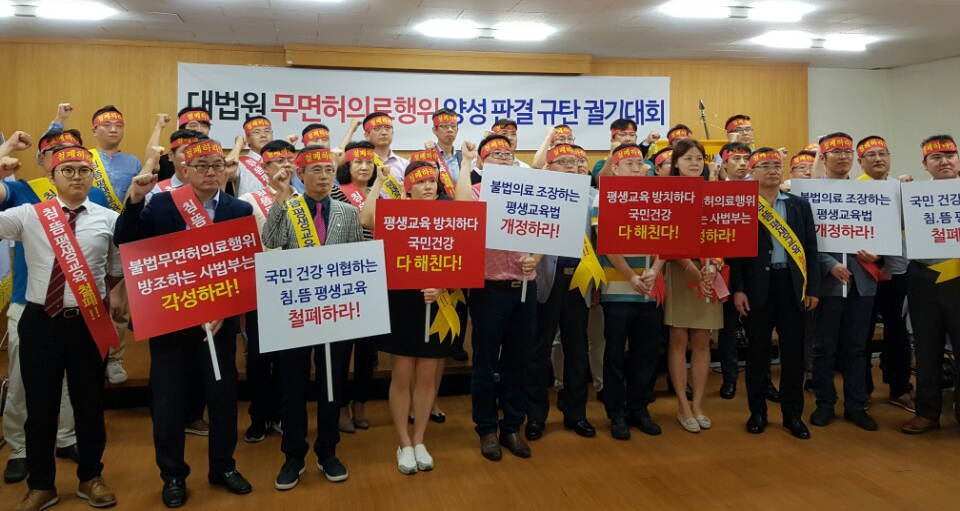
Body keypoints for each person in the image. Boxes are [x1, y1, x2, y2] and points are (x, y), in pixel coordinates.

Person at [117, 140, 253, 507]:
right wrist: (134, 200)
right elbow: (126, 241)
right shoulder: (162, 205)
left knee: (223, 399)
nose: (211, 172)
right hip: (171, 321)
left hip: (218, 325)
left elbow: (245, 264)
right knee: (168, 403)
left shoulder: (239, 209)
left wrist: (226, 308)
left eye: (217, 165)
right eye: (202, 165)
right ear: (184, 170)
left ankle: (223, 467)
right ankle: (173, 474)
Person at [0, 144, 122, 511]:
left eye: (84, 170)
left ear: (92, 177)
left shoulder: (108, 218)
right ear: (52, 177)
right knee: (40, 407)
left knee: (89, 404)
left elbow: (116, 269)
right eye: (67, 170)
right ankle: (41, 485)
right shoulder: (28, 214)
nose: (76, 177)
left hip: (89, 322)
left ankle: (91, 477)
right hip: (40, 322)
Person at [261, 146, 364, 490]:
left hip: (334, 313)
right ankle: (293, 456)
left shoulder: (348, 212)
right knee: (292, 386)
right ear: (300, 174)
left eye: (328, 170)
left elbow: (355, 258)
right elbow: (270, 240)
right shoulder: (288, 207)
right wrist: (280, 195)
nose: (323, 176)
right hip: (295, 312)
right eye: (315, 170)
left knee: (331, 384)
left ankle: (327, 451)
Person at [358, 159, 456, 474]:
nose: (428, 186)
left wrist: (443, 286)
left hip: (436, 301)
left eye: (432, 181)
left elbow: (462, 257)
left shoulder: (450, 214)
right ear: (408, 187)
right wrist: (378, 182)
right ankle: (404, 442)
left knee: (427, 376)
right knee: (401, 375)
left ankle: (420, 439)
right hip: (401, 302)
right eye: (421, 181)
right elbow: (366, 219)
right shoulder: (395, 212)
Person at [454, 140, 540, 461]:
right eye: (495, 154)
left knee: (518, 361)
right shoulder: (477, 193)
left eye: (508, 154)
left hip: (525, 287)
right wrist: (465, 162)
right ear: (483, 162)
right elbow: (462, 210)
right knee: (486, 361)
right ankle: (487, 428)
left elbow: (548, 231)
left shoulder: (529, 194)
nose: (503, 158)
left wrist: (536, 259)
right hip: (489, 288)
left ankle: (512, 426)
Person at [731, 148, 821, 440]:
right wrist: (738, 289)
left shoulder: (798, 205)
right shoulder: (743, 205)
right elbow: (736, 253)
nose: (772, 170)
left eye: (776, 165)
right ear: (752, 172)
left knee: (793, 354)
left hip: (792, 285)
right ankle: (757, 412)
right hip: (757, 287)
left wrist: (812, 288)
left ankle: (792, 414)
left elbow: (810, 249)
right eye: (765, 165)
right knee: (757, 353)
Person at [525, 144, 598, 441]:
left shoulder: (593, 198)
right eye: (563, 161)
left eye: (575, 161)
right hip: (546, 280)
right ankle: (535, 416)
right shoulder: (536, 196)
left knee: (577, 350)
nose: (571, 165)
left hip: (580, 280)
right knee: (539, 351)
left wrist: (597, 285)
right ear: (548, 167)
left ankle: (576, 413)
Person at [810, 132, 879, 431]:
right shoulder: (810, 194)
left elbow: (883, 233)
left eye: (847, 151)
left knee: (856, 348)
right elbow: (806, 239)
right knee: (824, 348)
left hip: (862, 282)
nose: (842, 156)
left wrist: (879, 255)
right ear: (823, 158)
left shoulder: (871, 193)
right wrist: (829, 264)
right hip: (827, 284)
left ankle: (855, 405)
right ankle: (825, 403)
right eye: (835, 151)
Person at [653, 138, 722, 433]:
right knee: (679, 339)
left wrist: (713, 266)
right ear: (676, 163)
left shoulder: (715, 192)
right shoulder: (665, 193)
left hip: (710, 274)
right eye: (688, 158)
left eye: (699, 158)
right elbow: (664, 236)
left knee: (703, 340)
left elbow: (726, 233)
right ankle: (682, 405)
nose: (694, 163)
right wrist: (693, 269)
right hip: (679, 272)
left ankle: (698, 404)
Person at [596, 143, 664, 439]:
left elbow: (668, 236)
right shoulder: (604, 199)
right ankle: (616, 413)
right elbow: (607, 244)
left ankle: (639, 408)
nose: (637, 168)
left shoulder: (657, 198)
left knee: (645, 354)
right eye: (629, 164)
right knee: (614, 355)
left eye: (640, 163)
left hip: (650, 289)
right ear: (615, 168)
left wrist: (655, 270)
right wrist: (631, 276)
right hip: (616, 290)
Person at [237, 140, 298, 443]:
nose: (286, 166)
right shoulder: (247, 201)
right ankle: (259, 416)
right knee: (259, 358)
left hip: (297, 288)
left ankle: (285, 414)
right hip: (261, 289)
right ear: (264, 167)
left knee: (290, 359)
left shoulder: (304, 199)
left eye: (290, 160)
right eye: (278, 161)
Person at [901, 135, 960, 434]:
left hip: (957, 277)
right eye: (935, 157)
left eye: (950, 155)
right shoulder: (913, 195)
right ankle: (927, 412)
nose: (944, 161)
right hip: (923, 277)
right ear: (925, 164)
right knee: (926, 347)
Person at [853, 136, 914, 413]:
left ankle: (899, 387)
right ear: (860, 161)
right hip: (863, 271)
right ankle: (861, 390)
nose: (878, 159)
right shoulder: (852, 190)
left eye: (883, 154)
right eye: (871, 155)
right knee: (861, 332)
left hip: (897, 270)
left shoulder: (902, 189)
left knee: (897, 332)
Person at [90, 105, 142, 385]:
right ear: (94, 130)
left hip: (120, 237)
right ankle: (90, 357)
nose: (113, 130)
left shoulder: (133, 162)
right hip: (89, 236)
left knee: (118, 306)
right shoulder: (84, 158)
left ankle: (114, 357)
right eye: (107, 125)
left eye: (118, 125)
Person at [330, 141, 378, 433]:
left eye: (369, 162)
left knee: (367, 350)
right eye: (358, 162)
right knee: (342, 350)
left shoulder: (384, 191)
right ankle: (341, 406)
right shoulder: (336, 192)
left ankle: (361, 402)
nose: (364, 167)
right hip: (346, 277)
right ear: (347, 166)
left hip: (377, 277)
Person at [593, 118, 660, 181]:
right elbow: (600, 183)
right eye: (622, 135)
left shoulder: (647, 163)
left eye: (632, 135)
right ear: (612, 139)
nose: (628, 139)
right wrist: (612, 154)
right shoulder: (602, 164)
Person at [430, 108, 463, 182]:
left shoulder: (463, 158)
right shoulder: (427, 156)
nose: (450, 130)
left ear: (457, 130)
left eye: (453, 126)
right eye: (444, 126)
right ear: (434, 130)